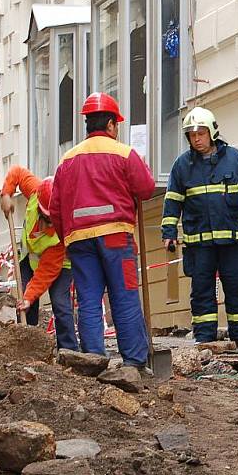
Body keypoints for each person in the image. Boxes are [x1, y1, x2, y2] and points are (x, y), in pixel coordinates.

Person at [49, 92, 156, 376]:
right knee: (124, 295)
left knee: (88, 300)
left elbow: (55, 207)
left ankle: (93, 359)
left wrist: (67, 238)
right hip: (116, 236)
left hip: (79, 241)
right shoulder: (123, 153)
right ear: (110, 124)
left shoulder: (67, 159)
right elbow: (146, 188)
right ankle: (134, 361)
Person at [161, 107, 238, 348]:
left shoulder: (236, 159)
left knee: (237, 288)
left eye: (201, 134)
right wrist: (169, 232)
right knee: (202, 291)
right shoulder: (182, 165)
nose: (196, 139)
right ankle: (204, 339)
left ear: (212, 132)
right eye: (192, 135)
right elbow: (173, 200)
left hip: (232, 241)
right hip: (199, 242)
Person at [0, 167, 77, 351]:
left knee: (60, 304)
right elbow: (17, 173)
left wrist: (29, 295)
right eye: (44, 217)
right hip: (29, 258)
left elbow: (46, 271)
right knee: (26, 305)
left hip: (59, 266)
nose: (46, 223)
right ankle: (27, 348)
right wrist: (6, 194)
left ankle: (69, 351)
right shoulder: (37, 190)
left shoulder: (59, 234)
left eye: (51, 220)